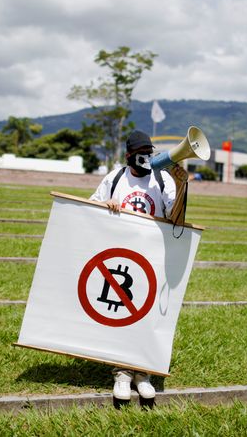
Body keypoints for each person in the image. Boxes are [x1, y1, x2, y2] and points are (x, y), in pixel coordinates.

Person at [89, 130, 188, 405]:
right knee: (123, 313)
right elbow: (89, 208)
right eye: (140, 154)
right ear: (129, 156)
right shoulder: (115, 178)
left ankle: (142, 373)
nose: (146, 159)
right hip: (120, 256)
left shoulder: (162, 179)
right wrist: (105, 206)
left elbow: (176, 219)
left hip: (151, 257)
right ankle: (121, 372)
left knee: (146, 314)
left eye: (150, 153)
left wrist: (181, 187)